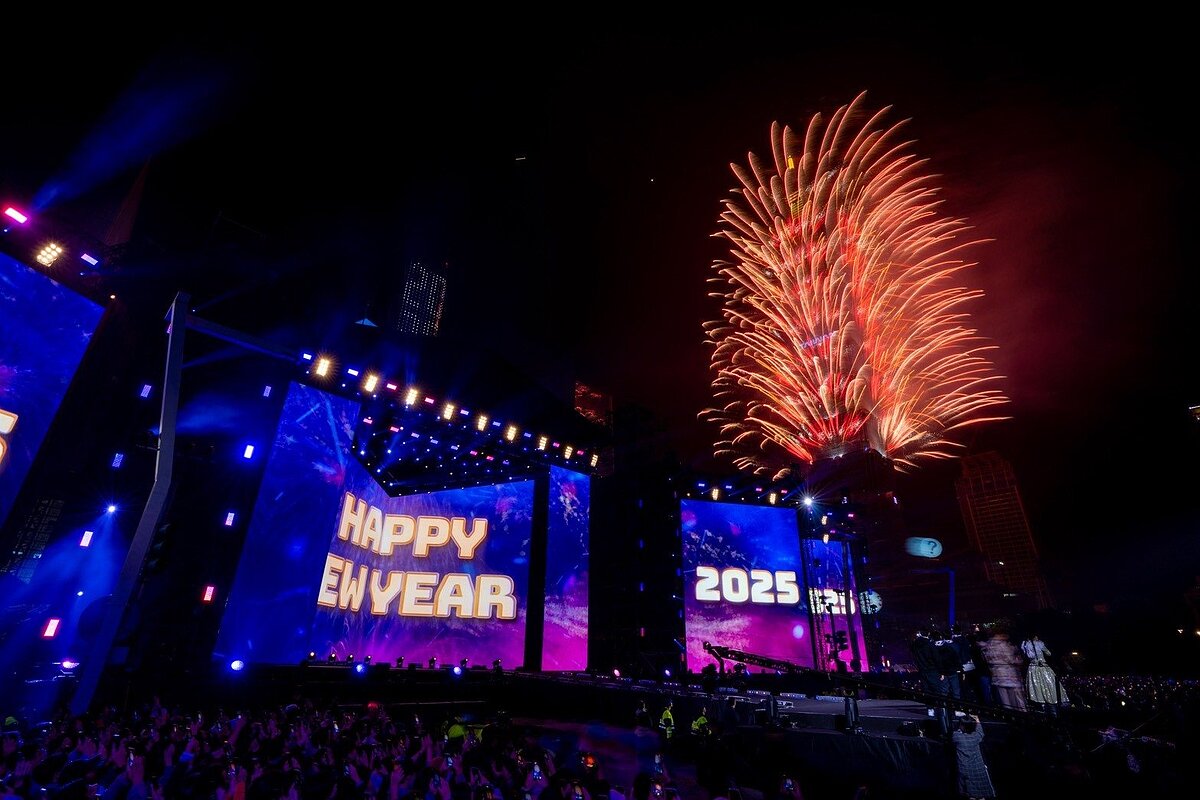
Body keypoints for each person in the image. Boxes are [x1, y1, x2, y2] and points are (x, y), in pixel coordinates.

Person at [1021, 633, 1069, 715]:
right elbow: (1049, 653)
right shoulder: (1039, 643)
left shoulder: (1025, 644)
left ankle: (1042, 706)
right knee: (1049, 684)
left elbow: (1028, 656)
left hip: (1033, 668)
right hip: (1043, 667)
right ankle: (1050, 704)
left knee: (1037, 686)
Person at [950, 714, 996, 799]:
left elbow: (954, 734)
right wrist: (977, 720)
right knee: (982, 795)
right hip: (978, 768)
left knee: (970, 793)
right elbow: (980, 732)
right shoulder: (976, 736)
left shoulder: (957, 736)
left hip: (965, 769)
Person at [979, 629, 1027, 711]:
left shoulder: (988, 646)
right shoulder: (1003, 645)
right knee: (1015, 700)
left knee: (1005, 701)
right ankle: (1020, 717)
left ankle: (1009, 716)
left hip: (996, 676)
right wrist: (1020, 661)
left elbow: (986, 659)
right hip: (1009, 675)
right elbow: (1010, 660)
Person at [910, 627, 947, 696]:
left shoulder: (915, 645)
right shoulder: (930, 644)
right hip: (932, 669)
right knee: (936, 689)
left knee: (926, 689)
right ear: (928, 634)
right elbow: (936, 658)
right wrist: (941, 671)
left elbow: (913, 655)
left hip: (922, 669)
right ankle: (938, 705)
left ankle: (929, 706)